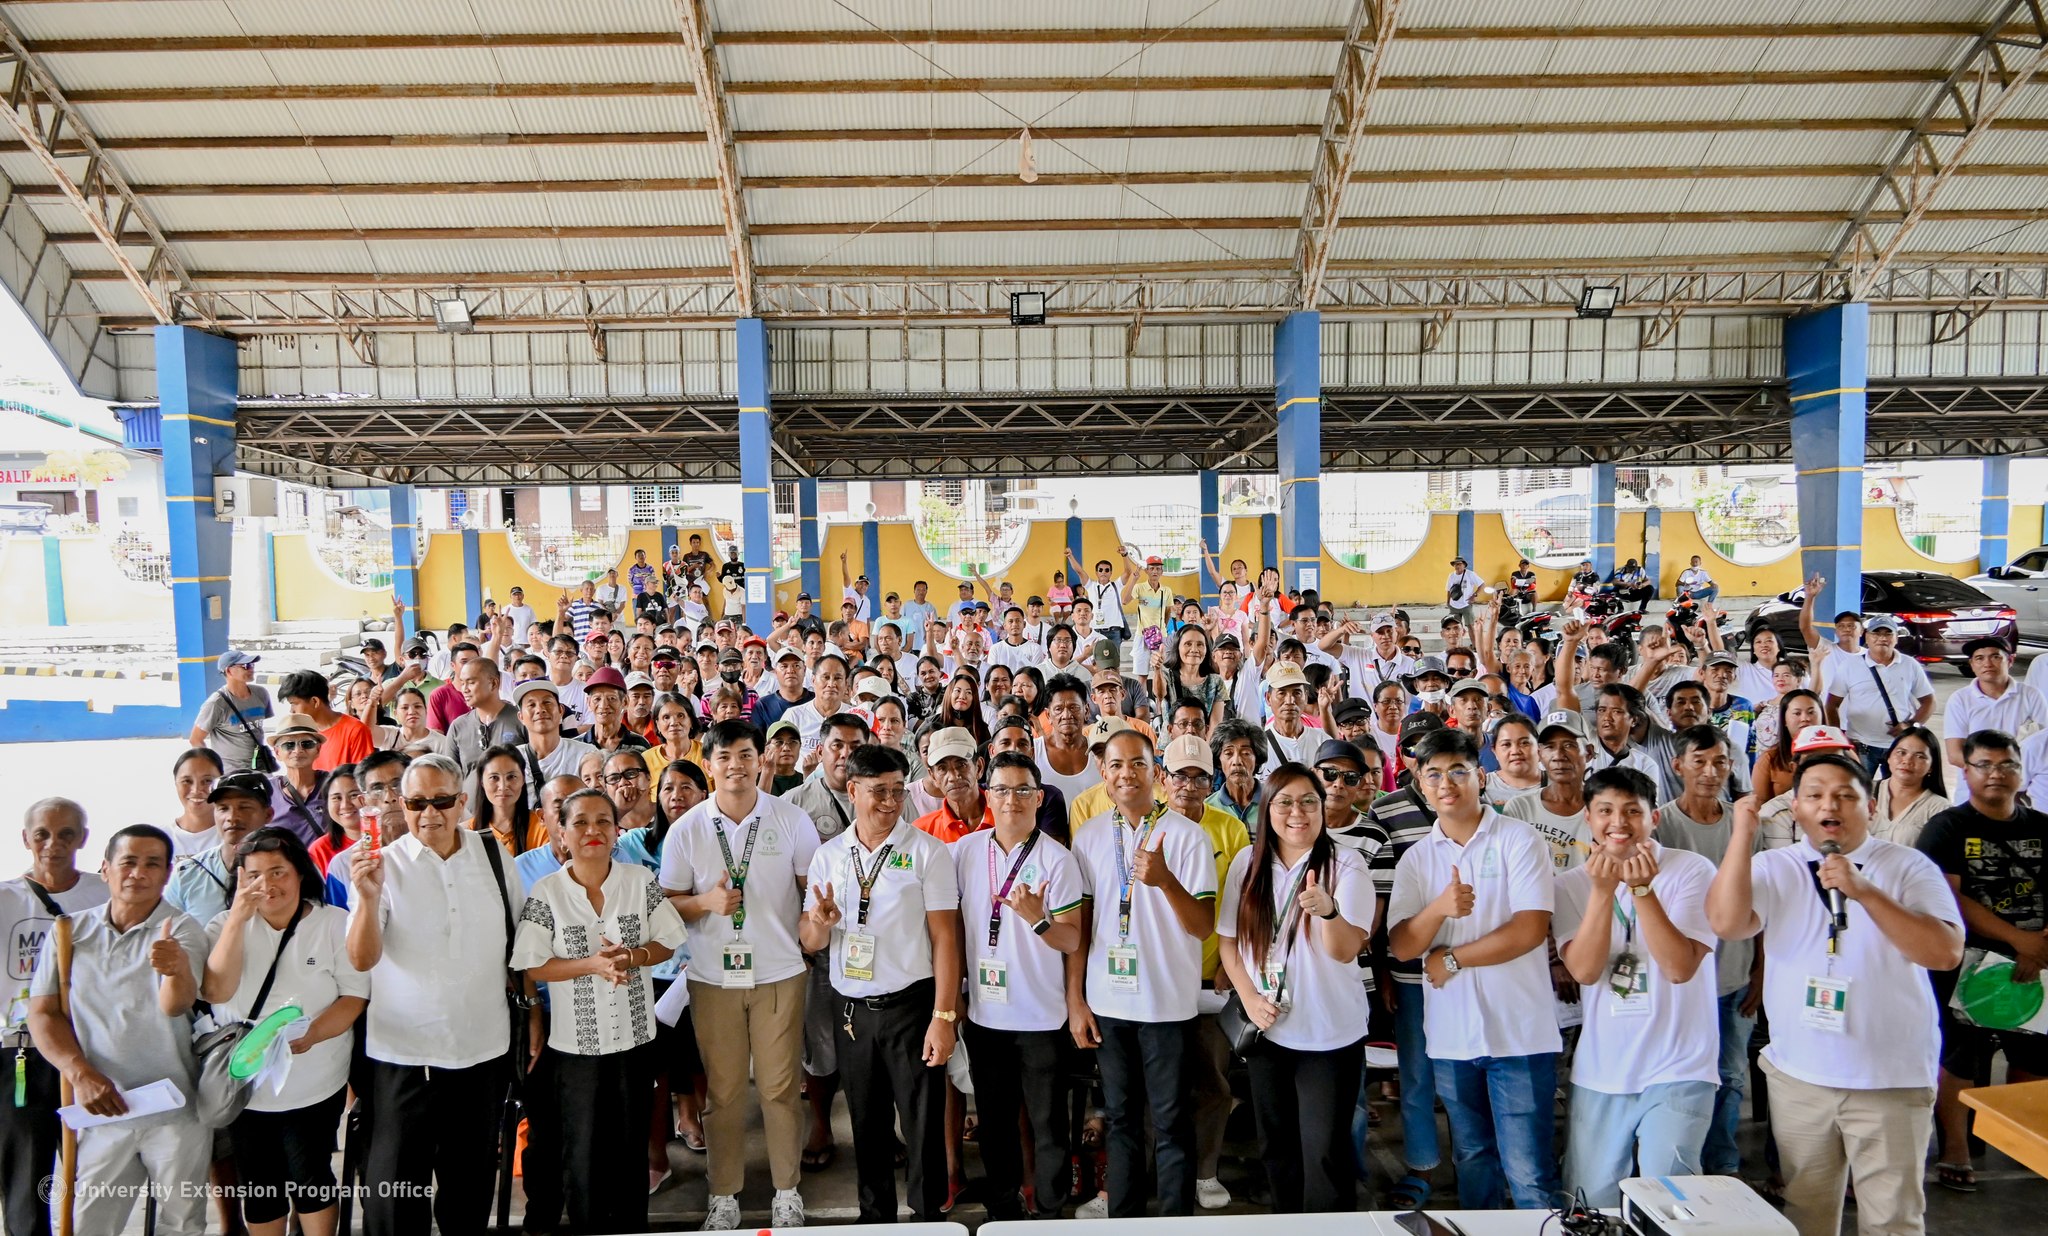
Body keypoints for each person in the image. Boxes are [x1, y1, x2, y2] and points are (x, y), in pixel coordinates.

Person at [1706, 758, 1963, 1236]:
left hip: (1890, 1079)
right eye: (1815, 795)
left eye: (1845, 795)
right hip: (1800, 1078)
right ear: (1796, 809)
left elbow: (1945, 953)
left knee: (1893, 1220)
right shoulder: (1774, 866)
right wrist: (1742, 835)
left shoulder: (1907, 866)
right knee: (1806, 1213)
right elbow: (1726, 923)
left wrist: (1865, 892)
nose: (1830, 805)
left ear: (1871, 807)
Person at [346, 754, 524, 1236]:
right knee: (396, 1193)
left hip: (482, 1051)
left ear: (462, 802)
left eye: (441, 801)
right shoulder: (381, 866)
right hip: (404, 1057)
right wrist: (367, 898)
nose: (429, 814)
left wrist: (531, 1019)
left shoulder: (494, 857)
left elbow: (519, 945)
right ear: (401, 805)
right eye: (416, 803)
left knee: (469, 1190)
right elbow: (361, 959)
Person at [1387, 727, 1561, 1211]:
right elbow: (1402, 945)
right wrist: (1439, 908)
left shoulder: (1519, 840)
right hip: (1452, 1037)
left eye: (1458, 771)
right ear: (1420, 784)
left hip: (1520, 1035)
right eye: (1434, 774)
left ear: (1480, 777)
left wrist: (1452, 957)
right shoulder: (1417, 860)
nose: (1447, 784)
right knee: (1472, 1159)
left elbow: (1530, 929)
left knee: (1529, 1172)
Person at [659, 720, 817, 1231]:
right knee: (724, 1092)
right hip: (712, 979)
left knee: (779, 1088)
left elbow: (811, 892)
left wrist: (815, 928)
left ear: (760, 760)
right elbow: (667, 905)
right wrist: (705, 902)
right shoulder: (687, 829)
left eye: (746, 755)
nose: (736, 766)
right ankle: (723, 1194)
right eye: (724, 757)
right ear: (708, 765)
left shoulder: (791, 819)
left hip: (780, 974)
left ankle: (787, 1192)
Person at [800, 745, 962, 1222]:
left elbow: (945, 938)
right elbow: (809, 940)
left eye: (896, 790)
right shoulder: (829, 856)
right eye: (878, 791)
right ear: (852, 790)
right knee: (866, 1123)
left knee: (922, 1123)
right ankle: (875, 1220)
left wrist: (944, 1017)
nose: (890, 802)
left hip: (912, 1008)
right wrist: (821, 923)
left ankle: (929, 1219)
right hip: (851, 1011)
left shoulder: (927, 852)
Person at [514, 789, 684, 1233]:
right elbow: (532, 964)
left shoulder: (639, 882)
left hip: (635, 1041)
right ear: (562, 833)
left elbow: (669, 939)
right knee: (583, 1153)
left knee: (630, 1150)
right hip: (575, 1050)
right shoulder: (548, 892)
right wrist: (592, 964)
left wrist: (633, 957)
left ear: (616, 831)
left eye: (603, 821)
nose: (593, 831)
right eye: (581, 822)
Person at [27, 825, 209, 1236]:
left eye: (152, 864)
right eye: (128, 862)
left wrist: (176, 968)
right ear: (105, 868)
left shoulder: (182, 930)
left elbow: (177, 1004)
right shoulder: (68, 931)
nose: (138, 873)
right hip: (99, 1108)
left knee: (181, 1225)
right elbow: (43, 1013)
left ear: (167, 873)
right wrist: (80, 1074)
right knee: (85, 1224)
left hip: (176, 1108)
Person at [1066, 729, 1218, 1218]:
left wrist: (1166, 880)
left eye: (1137, 763)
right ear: (1103, 773)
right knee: (1121, 1119)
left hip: (1166, 1005)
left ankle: (1174, 1224)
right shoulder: (1089, 837)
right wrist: (1077, 999)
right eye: (1116, 764)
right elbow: (1083, 925)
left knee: (1171, 1121)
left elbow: (1202, 926)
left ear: (1156, 773)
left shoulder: (1189, 837)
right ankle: (1125, 1221)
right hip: (1108, 1003)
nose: (1126, 773)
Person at [1554, 768, 1719, 1205]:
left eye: (1632, 811)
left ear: (1654, 817)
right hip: (1602, 1069)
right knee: (1590, 1204)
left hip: (1679, 1065)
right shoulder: (1570, 885)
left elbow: (1679, 967)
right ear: (1588, 818)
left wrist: (1642, 890)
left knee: (1672, 1201)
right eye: (1605, 811)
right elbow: (1584, 971)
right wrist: (1602, 893)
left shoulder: (1692, 870)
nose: (1618, 823)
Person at [1216, 761, 1373, 1213]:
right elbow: (1229, 942)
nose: (1297, 812)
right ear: (1266, 809)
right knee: (1277, 1149)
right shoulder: (1248, 863)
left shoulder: (1346, 864)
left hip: (1328, 1036)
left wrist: (1328, 911)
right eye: (1284, 802)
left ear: (1322, 808)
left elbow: (1346, 949)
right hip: (1269, 1032)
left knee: (1325, 1155)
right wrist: (1249, 998)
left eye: (1308, 801)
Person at [202, 827, 367, 1236]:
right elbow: (216, 990)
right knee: (259, 1184)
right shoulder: (223, 925)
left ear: (299, 874)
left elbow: (353, 997)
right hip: (246, 1079)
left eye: (278, 872)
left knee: (311, 1174)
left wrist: (312, 1035)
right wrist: (237, 920)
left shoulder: (334, 923)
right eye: (254, 875)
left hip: (315, 1077)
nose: (267, 884)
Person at [1915, 729, 2048, 1195]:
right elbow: (1948, 898)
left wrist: (2039, 947)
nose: (1996, 774)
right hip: (1966, 963)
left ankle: (2021, 1139)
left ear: (2021, 771)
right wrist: (2018, 940)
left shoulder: (2042, 826)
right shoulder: (1947, 828)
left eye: (2006, 764)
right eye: (1985, 765)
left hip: (2037, 962)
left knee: (2034, 1056)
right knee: (1961, 1058)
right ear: (1966, 771)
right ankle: (1955, 1149)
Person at [951, 748, 1082, 1218]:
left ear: (1039, 797)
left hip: (1042, 1019)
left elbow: (1072, 939)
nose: (1012, 800)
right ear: (987, 795)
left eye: (1023, 790)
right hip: (985, 1016)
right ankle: (1003, 1210)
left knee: (1048, 1125)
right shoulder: (964, 852)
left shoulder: (1058, 860)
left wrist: (1038, 919)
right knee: (995, 1123)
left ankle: (1050, 1211)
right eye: (1002, 790)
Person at [0, 800, 107, 1236]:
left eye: (66, 834)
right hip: (22, 1054)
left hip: (94, 1050)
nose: (53, 844)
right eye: (42, 834)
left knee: (98, 1175)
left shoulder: (105, 893)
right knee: (27, 1179)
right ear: (26, 838)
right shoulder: (5, 898)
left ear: (82, 838)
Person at [1157, 734, 1254, 1208]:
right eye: (1181, 776)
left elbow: (1242, 904)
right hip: (1158, 978)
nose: (1189, 786)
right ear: (1164, 778)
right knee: (1159, 1083)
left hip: (1211, 978)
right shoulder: (1147, 827)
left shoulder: (1230, 829)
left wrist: (1233, 968)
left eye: (1199, 777)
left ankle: (1206, 1171)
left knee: (1212, 1082)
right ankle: (1155, 1172)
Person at [1826, 615, 1934, 773]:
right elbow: (1831, 704)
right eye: (1876, 633)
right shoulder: (1849, 666)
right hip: (1861, 745)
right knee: (1859, 785)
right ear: (1866, 637)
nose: (1882, 638)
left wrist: (1911, 725)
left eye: (1888, 633)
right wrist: (1839, 738)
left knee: (1898, 787)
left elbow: (1929, 701)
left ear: (1896, 638)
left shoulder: (1910, 664)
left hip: (1899, 745)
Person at [1943, 638, 2045, 803]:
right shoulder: (1960, 700)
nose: (1987, 663)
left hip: (2019, 793)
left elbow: (2043, 745)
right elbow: (1955, 755)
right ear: (1972, 664)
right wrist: (1995, 775)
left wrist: (2010, 779)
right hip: (1972, 794)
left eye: (1995, 657)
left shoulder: (2031, 695)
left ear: (2010, 660)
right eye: (1979, 658)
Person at [169, 769, 275, 926]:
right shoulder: (188, 873)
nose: (232, 817)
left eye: (244, 807)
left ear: (268, 815)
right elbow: (164, 929)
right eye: (223, 808)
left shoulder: (288, 871)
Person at [1500, 711, 1594, 872]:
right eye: (1550, 747)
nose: (1558, 755)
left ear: (1589, 752)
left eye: (1569, 745)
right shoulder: (1521, 808)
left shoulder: (1603, 810)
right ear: (1539, 754)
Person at [512, 680, 598, 804]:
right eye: (531, 705)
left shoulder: (586, 754)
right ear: (521, 717)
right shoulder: (512, 760)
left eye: (547, 702)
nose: (540, 710)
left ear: (561, 711)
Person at [190, 649, 276, 773]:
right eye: (245, 666)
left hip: (261, 768)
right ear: (229, 671)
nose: (251, 669)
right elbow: (195, 739)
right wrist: (212, 767)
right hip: (232, 773)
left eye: (252, 665)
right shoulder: (216, 703)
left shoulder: (261, 693)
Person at [277, 670, 374, 773]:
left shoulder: (356, 731)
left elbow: (363, 777)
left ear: (315, 701)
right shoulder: (301, 733)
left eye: (294, 704)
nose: (291, 711)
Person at [1872, 726, 1950, 848]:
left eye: (1920, 756)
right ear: (1889, 757)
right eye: (1901, 752)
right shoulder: (1864, 791)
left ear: (1931, 766)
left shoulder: (1940, 809)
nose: (1907, 761)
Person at [446, 656, 526, 771]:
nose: (465, 689)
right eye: (462, 683)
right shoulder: (458, 726)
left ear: (494, 683)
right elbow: (450, 774)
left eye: (471, 682)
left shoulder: (521, 720)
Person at [473, 744, 549, 855]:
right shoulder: (467, 832)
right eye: (494, 778)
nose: (503, 786)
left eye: (511, 777)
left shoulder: (542, 828)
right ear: (482, 782)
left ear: (523, 779)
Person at [167, 746, 224, 859]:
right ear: (176, 783)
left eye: (207, 781)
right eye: (187, 781)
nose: (196, 790)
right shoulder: (161, 838)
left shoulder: (235, 836)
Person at [1444, 556, 1483, 629]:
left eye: (1459, 564)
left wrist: (1474, 595)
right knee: (1455, 627)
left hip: (1466, 605)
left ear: (1464, 565)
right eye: (1456, 564)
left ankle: (1473, 637)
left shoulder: (1470, 574)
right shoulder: (1451, 576)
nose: (1457, 566)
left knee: (1471, 626)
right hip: (1454, 606)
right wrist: (1448, 602)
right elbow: (1449, 590)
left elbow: (1482, 584)